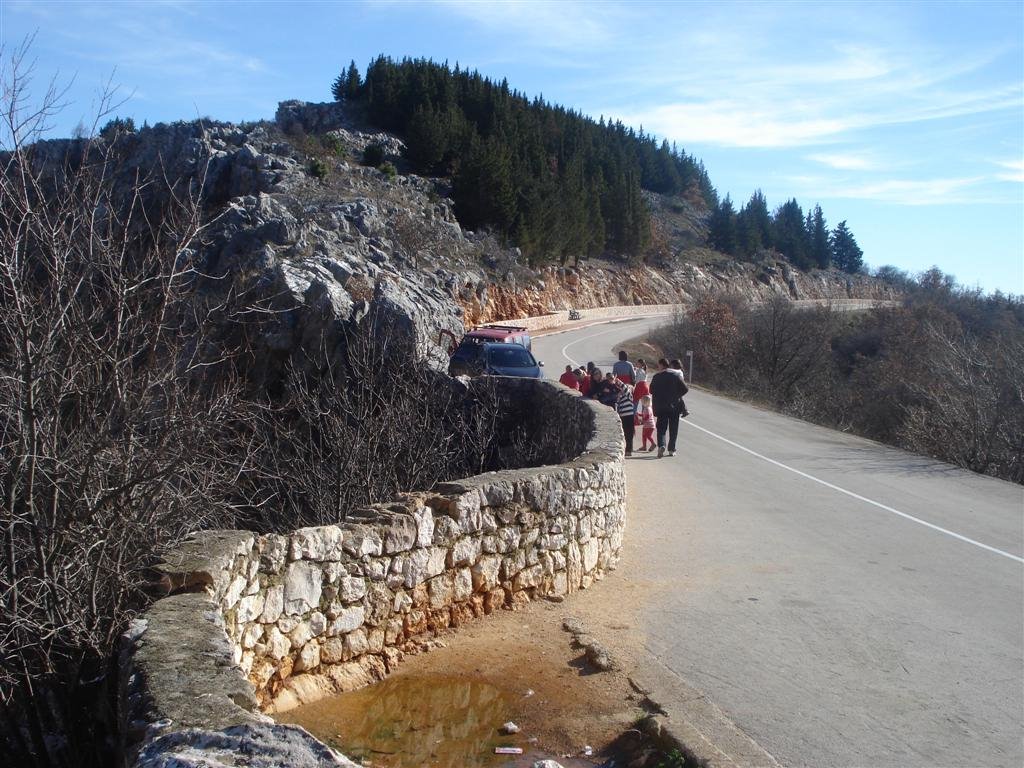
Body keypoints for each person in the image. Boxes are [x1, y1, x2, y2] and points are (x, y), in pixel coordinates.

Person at [649, 357, 688, 458]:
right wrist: (676, 395)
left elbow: (651, 391)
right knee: (673, 428)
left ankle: (661, 445)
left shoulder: (656, 377)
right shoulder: (675, 376)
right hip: (674, 406)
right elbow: (685, 389)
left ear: (662, 366)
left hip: (661, 406)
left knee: (661, 428)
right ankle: (671, 450)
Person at [614, 378, 636, 456]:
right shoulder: (621, 397)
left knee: (629, 433)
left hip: (629, 416)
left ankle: (629, 450)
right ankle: (628, 449)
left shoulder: (629, 395)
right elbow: (617, 403)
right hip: (622, 416)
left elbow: (624, 387)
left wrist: (618, 381)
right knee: (625, 433)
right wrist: (619, 396)